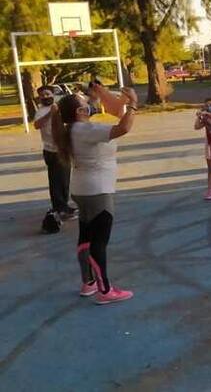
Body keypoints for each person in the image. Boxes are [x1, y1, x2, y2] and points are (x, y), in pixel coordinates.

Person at [51, 85, 138, 305]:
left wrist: (114, 101)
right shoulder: (85, 130)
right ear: (80, 112)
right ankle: (105, 290)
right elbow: (123, 128)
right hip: (97, 190)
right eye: (85, 102)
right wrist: (133, 104)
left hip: (83, 189)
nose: (90, 103)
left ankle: (88, 282)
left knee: (86, 237)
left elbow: (115, 120)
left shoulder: (73, 129)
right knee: (99, 242)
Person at [33, 86, 77, 220]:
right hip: (51, 151)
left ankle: (64, 205)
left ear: (53, 94)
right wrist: (50, 114)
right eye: (43, 95)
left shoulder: (60, 108)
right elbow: (37, 125)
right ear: (39, 98)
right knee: (56, 180)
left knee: (64, 179)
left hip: (63, 148)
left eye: (48, 94)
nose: (46, 96)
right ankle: (59, 207)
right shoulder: (41, 112)